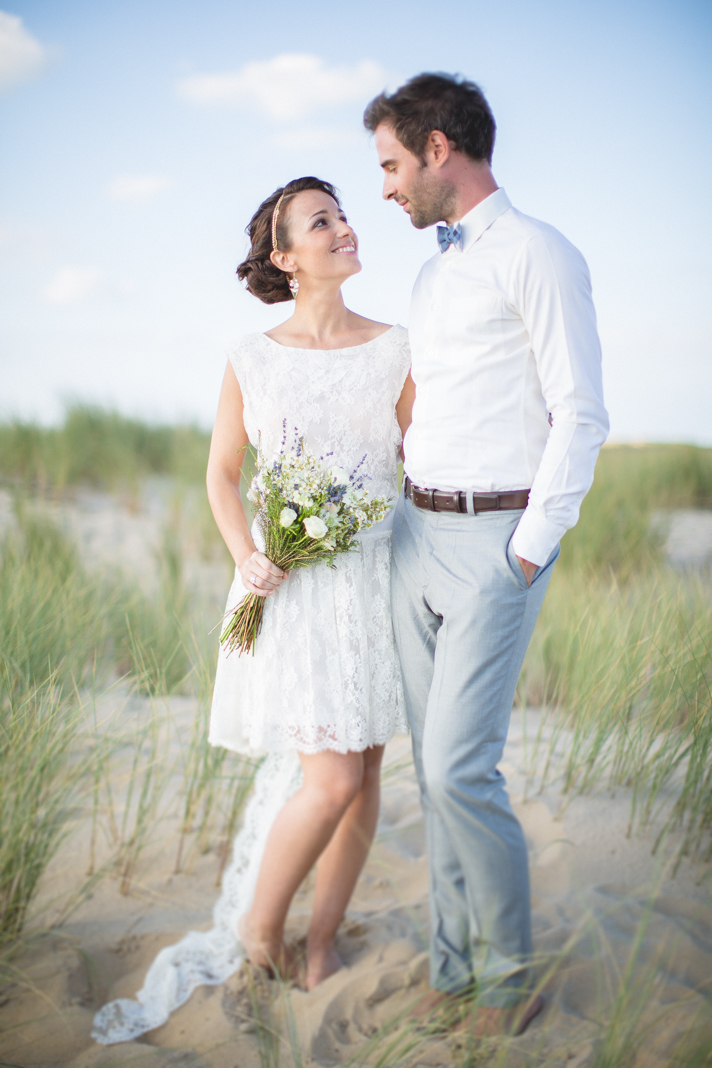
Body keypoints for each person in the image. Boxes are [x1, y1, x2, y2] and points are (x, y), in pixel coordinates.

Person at [363, 74, 609, 1035]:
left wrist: (527, 553)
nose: (384, 188)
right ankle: (453, 964)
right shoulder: (431, 270)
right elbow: (428, 408)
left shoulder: (540, 254)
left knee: (465, 768)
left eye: (389, 164)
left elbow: (581, 412)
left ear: (436, 148)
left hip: (495, 544)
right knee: (432, 771)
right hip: (412, 537)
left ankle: (508, 980)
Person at [206, 176, 414, 991]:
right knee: (327, 779)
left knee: (363, 780)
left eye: (344, 214)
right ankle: (261, 926)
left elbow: (421, 458)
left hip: (373, 580)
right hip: (290, 585)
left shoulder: (397, 347)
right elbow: (223, 476)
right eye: (321, 222)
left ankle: (322, 941)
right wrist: (245, 553)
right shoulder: (250, 357)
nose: (344, 228)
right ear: (286, 258)